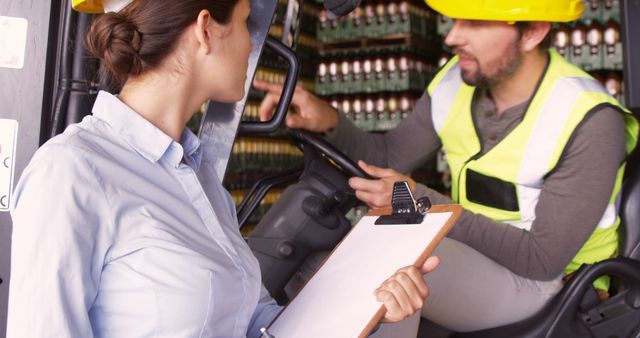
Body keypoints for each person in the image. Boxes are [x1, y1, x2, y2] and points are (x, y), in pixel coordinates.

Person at [6, 0, 439, 337]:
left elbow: (255, 321)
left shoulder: (198, 178)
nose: (252, 44)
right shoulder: (72, 173)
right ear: (206, 29)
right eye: (247, 22)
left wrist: (370, 303)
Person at [254, 0, 639, 332]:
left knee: (385, 276)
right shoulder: (456, 82)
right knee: (324, 264)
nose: (452, 36)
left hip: (556, 286)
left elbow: (541, 260)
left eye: (474, 22)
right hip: (475, 255)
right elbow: (389, 157)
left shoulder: (590, 120)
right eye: (456, 20)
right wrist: (326, 118)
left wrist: (420, 200)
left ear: (533, 31)